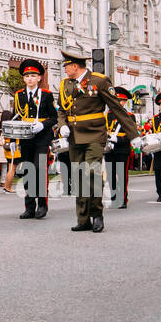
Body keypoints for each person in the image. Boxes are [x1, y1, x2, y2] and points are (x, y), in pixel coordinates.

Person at [57, 45, 138, 233]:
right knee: (78, 178)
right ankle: (83, 218)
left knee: (92, 175)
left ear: (75, 66)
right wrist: (62, 125)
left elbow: (118, 109)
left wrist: (133, 135)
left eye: (66, 66)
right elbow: (62, 109)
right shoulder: (65, 84)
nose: (65, 69)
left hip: (94, 135)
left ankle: (97, 215)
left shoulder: (99, 81)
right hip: (74, 137)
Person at [4, 58, 56, 219]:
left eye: (33, 76)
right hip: (25, 138)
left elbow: (54, 117)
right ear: (24, 79)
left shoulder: (46, 94)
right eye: (27, 76)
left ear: (39, 78)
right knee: (27, 170)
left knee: (39, 170)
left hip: (42, 137)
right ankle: (29, 206)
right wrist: (12, 140)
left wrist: (43, 125)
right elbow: (15, 118)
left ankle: (42, 204)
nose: (30, 79)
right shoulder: (19, 95)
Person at [103, 85, 137, 208]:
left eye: (120, 101)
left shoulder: (129, 116)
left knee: (122, 174)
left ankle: (122, 199)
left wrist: (118, 138)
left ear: (124, 102)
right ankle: (113, 196)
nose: (118, 102)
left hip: (122, 148)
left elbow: (132, 134)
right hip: (109, 149)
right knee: (110, 175)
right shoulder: (107, 115)